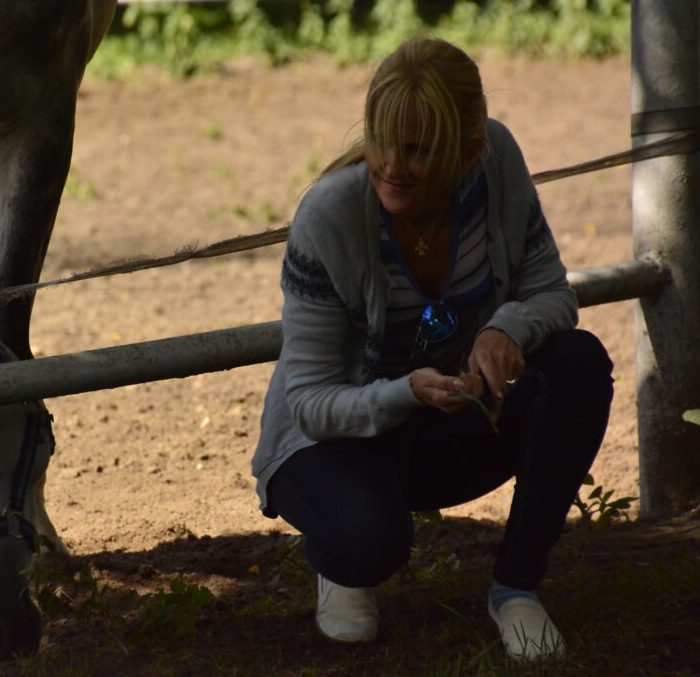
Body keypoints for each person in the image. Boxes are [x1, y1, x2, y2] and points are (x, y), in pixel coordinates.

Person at [252, 37, 613, 661]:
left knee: (578, 363)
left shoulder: (496, 162)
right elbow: (309, 402)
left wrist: (505, 330)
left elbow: (552, 294)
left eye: (418, 149)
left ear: (468, 152)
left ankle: (516, 589)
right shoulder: (329, 217)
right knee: (368, 544)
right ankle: (345, 560)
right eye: (380, 139)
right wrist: (405, 391)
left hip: (444, 419)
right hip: (329, 440)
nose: (391, 165)